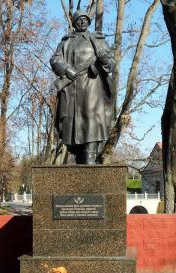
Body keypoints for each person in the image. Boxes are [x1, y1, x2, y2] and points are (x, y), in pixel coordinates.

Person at [50, 10, 114, 165]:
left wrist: (105, 60)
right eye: (79, 19)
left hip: (92, 86)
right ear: (74, 23)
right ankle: (79, 157)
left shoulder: (98, 40)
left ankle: (90, 156)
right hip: (71, 87)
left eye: (86, 19)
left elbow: (111, 64)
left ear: (89, 22)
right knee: (72, 123)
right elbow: (55, 59)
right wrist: (65, 69)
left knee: (92, 119)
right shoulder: (66, 41)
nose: (83, 22)